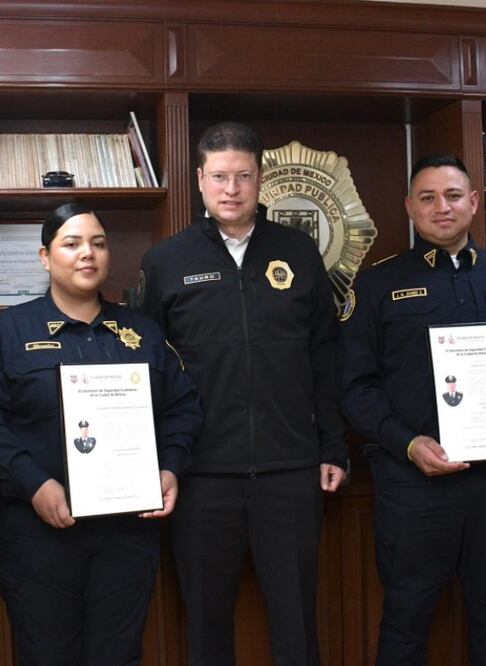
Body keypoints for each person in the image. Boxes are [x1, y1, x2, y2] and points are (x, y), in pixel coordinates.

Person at [137, 121, 348, 666]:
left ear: (259, 179)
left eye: (244, 176)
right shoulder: (166, 262)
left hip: (290, 471)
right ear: (200, 180)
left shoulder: (298, 252)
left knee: (296, 623)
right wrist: (160, 462)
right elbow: (150, 373)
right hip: (202, 477)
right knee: (206, 626)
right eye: (219, 176)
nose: (231, 189)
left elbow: (324, 356)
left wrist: (333, 445)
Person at [337, 153, 486, 665]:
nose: (443, 207)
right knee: (406, 620)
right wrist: (407, 443)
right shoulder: (377, 285)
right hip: (415, 486)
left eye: (454, 195)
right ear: (409, 207)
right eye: (428, 197)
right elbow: (353, 386)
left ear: (474, 202)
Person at [0, 202, 202, 666]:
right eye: (71, 243)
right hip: (38, 534)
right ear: (45, 257)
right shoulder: (7, 333)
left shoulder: (142, 333)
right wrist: (33, 483)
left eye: (98, 243)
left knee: (119, 655)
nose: (87, 254)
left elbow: (183, 407)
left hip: (126, 534)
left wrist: (170, 468)